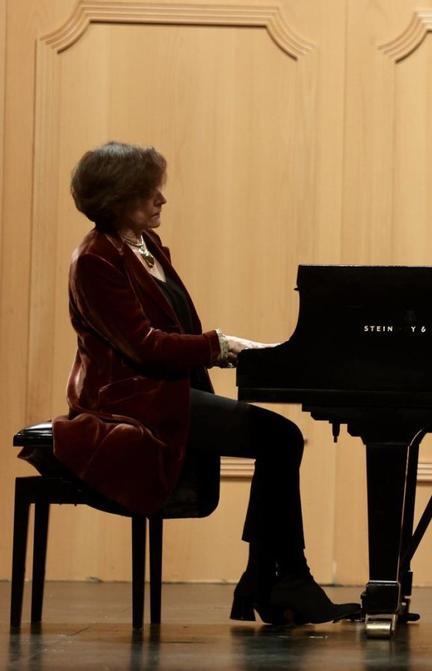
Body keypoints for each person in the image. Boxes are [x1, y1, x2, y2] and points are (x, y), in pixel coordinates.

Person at [51, 141, 360, 625]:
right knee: (280, 438)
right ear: (116, 197)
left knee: (280, 439)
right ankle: (280, 581)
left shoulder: (145, 247)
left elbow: (171, 332)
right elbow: (145, 346)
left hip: (163, 392)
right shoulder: (95, 259)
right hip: (128, 402)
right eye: (148, 191)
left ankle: (271, 579)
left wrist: (221, 348)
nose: (161, 199)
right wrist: (222, 345)